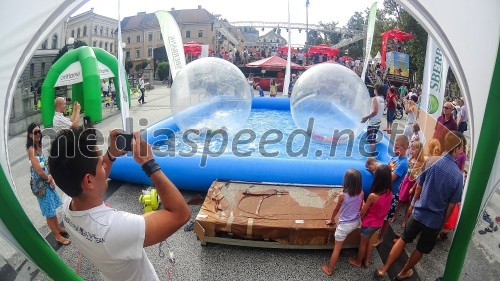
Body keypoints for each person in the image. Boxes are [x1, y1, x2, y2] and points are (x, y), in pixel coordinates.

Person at [48, 127, 191, 280]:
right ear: (88, 180)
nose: (104, 165)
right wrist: (149, 163)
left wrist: (110, 155)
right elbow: (181, 214)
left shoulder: (67, 203)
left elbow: (91, 184)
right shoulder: (115, 228)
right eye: (101, 163)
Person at [376, 131, 464, 280]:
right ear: (456, 148)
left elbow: (418, 187)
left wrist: (413, 204)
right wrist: (442, 223)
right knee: (420, 249)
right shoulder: (457, 176)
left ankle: (383, 269)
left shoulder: (430, 161)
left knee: (403, 239)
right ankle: (403, 272)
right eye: (461, 148)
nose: (461, 152)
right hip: (434, 220)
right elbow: (451, 205)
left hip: (418, 212)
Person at [26, 122, 70, 246]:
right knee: (49, 213)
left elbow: (45, 165)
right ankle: (57, 236)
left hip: (46, 182)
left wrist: (50, 177)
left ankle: (58, 228)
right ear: (30, 135)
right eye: (35, 132)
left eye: (39, 131)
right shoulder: (32, 150)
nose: (39, 134)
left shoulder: (38, 147)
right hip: (41, 186)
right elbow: (39, 171)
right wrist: (49, 179)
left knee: (52, 209)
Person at [348, 165, 393, 268]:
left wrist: (359, 216)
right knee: (370, 242)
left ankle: (358, 262)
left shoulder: (373, 196)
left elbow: (363, 212)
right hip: (379, 223)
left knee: (363, 243)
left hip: (368, 224)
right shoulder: (389, 193)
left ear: (377, 179)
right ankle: (367, 261)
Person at [321, 169, 363, 276]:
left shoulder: (342, 195)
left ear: (346, 182)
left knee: (337, 249)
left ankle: (329, 270)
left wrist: (331, 220)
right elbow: (360, 206)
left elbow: (336, 209)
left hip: (344, 226)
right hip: (356, 222)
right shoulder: (362, 193)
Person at [376, 135, 409, 246]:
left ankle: (381, 237)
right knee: (382, 214)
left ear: (405, 147)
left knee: (387, 218)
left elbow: (390, 177)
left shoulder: (403, 163)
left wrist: (378, 171)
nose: (395, 150)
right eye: (394, 147)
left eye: (397, 147)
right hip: (385, 191)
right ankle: (378, 233)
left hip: (393, 194)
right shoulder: (395, 158)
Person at [399, 141, 425, 229]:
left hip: (413, 183)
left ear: (419, 150)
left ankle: (405, 219)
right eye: (411, 148)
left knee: (409, 202)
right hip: (406, 181)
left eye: (413, 149)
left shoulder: (421, 163)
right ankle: (395, 215)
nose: (411, 151)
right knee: (400, 198)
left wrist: (414, 187)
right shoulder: (409, 159)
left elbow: (419, 177)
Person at [361, 85, 385, 153]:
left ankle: (372, 156)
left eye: (374, 89)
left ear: (376, 90)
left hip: (373, 123)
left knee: (372, 141)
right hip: (377, 122)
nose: (374, 90)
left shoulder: (375, 99)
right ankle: (372, 154)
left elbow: (375, 111)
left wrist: (366, 117)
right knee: (372, 139)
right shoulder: (382, 99)